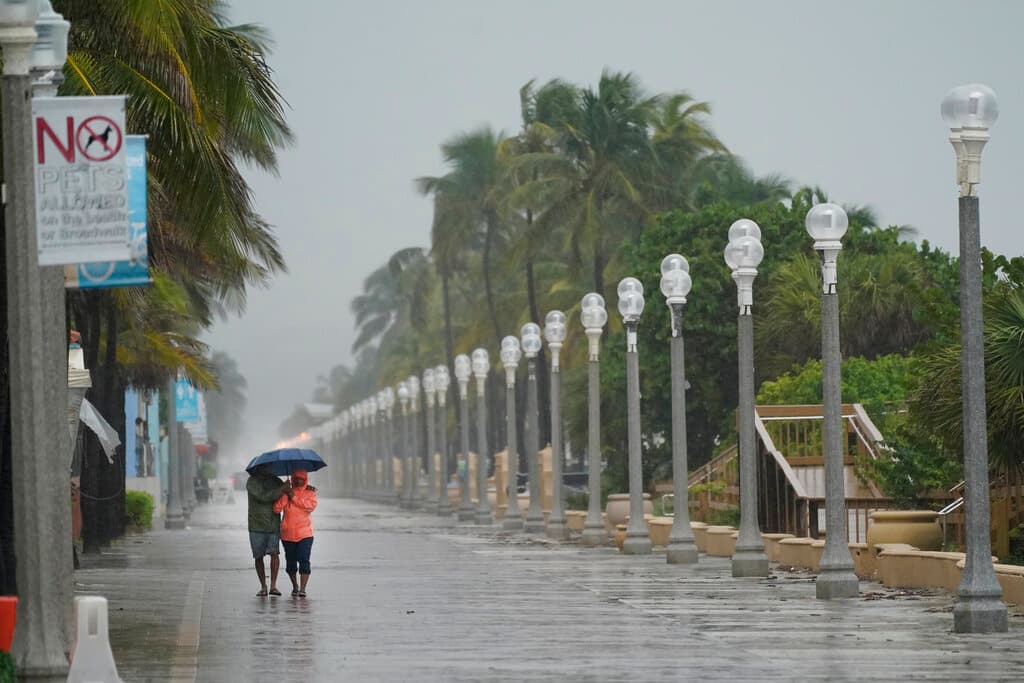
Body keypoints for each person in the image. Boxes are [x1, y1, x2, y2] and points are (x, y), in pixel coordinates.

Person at [273, 469, 318, 598]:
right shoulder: (287, 493)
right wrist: (285, 494)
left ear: (305, 479)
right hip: (287, 535)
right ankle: (295, 586)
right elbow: (276, 509)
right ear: (292, 479)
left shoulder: (310, 493)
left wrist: (293, 496)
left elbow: (309, 506)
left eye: (301, 478)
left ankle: (303, 589)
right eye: (296, 478)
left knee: (304, 560)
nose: (298, 480)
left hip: (305, 534)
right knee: (291, 563)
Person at [247, 464, 284, 597]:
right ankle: (263, 586)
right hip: (256, 525)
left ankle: (273, 586)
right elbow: (263, 496)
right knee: (258, 556)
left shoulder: (277, 481)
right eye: (265, 467)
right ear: (259, 468)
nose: (269, 470)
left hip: (273, 524)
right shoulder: (252, 482)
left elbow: (288, 494)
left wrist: (304, 488)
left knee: (275, 554)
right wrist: (281, 490)